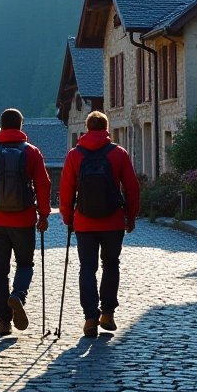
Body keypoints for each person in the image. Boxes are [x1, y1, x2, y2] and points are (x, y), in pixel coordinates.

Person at [58, 111, 140, 338]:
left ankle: (90, 318)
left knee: (87, 268)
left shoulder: (74, 155)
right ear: (106, 128)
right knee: (111, 265)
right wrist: (131, 216)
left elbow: (66, 189)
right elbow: (132, 187)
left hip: (84, 222)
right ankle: (108, 314)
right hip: (113, 220)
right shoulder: (118, 153)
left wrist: (68, 217)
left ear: (86, 128)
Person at [0, 108, 52, 336]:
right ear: (20, 126)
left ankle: (3, 322)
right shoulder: (32, 152)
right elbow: (43, 185)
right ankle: (17, 295)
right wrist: (44, 215)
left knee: (0, 269)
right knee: (25, 264)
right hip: (24, 219)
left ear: (1, 125)